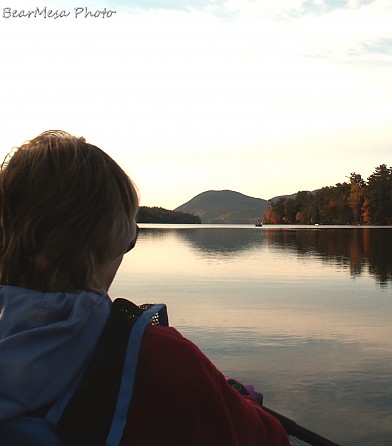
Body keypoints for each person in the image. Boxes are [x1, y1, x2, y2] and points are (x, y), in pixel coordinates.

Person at [0, 130, 290, 445]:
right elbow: (267, 438)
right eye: (129, 240)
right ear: (107, 240)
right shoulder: (162, 359)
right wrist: (235, 399)